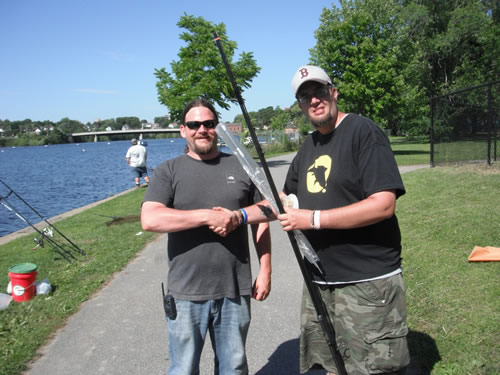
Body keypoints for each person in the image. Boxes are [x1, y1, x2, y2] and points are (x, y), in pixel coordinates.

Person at [276, 65, 410, 374]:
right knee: (331, 367)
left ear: (333, 92)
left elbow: (383, 205)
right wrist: (237, 215)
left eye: (319, 91)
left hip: (366, 284)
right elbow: (281, 200)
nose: (314, 100)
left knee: (374, 369)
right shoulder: (308, 146)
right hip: (321, 285)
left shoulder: (363, 131)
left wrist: (313, 219)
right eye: (305, 96)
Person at [141, 98, 272, 375]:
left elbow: (268, 211)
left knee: (234, 367)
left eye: (209, 124)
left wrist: (266, 270)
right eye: (194, 124)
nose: (202, 129)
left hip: (235, 289)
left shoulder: (241, 166)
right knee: (183, 369)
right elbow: (150, 218)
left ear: (217, 127)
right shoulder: (168, 170)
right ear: (182, 130)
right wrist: (206, 216)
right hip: (186, 292)